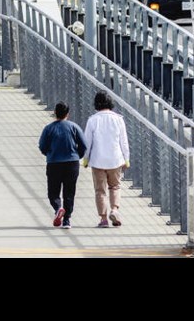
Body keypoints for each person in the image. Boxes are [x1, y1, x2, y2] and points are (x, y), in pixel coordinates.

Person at [82, 91, 130, 228]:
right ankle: (114, 210)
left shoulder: (93, 120)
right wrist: (126, 158)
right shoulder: (118, 119)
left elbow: (88, 142)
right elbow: (124, 142)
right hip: (115, 159)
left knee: (100, 190)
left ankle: (103, 219)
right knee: (115, 186)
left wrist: (86, 159)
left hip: (98, 160)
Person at [38, 102, 86, 230]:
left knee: (53, 191)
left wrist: (49, 153)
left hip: (54, 163)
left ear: (55, 113)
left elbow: (42, 146)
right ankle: (67, 220)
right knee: (69, 192)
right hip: (72, 163)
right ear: (67, 114)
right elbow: (83, 145)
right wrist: (77, 156)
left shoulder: (49, 128)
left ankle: (58, 208)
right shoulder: (74, 127)